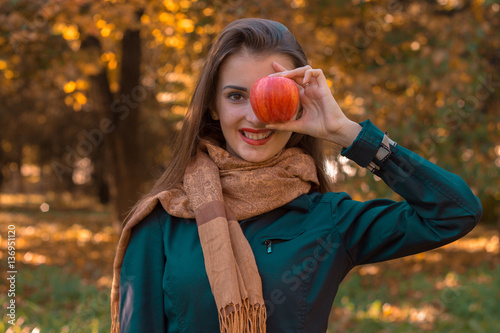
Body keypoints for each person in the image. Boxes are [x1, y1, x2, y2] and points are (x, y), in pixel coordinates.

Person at [110, 18, 482, 333]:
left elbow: (455, 212)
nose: (256, 117)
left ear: (299, 100)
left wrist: (348, 133)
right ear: (212, 105)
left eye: (269, 96)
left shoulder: (328, 219)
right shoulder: (163, 219)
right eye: (237, 97)